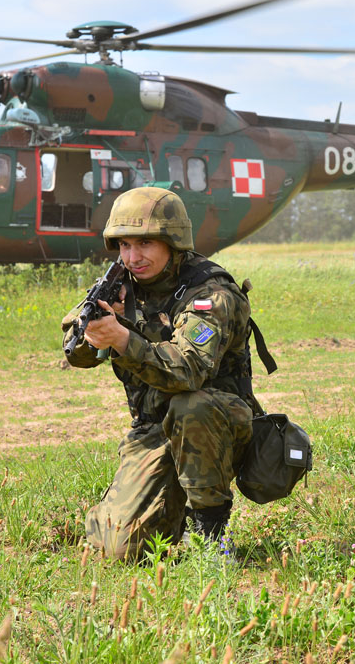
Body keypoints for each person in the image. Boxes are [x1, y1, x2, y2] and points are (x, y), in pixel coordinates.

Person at [62, 186, 256, 561]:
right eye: (124, 245)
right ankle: (167, 515)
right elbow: (77, 351)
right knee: (120, 549)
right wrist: (97, 334)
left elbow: (188, 371)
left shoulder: (210, 293)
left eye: (145, 243)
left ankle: (212, 534)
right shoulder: (122, 288)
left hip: (218, 427)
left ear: (173, 241)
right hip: (155, 430)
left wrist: (122, 339)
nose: (133, 257)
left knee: (192, 405)